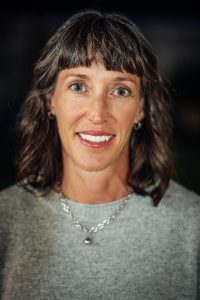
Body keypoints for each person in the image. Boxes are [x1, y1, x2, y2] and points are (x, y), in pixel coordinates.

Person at [0, 9, 199, 300]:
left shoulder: (193, 223)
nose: (97, 113)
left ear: (141, 108)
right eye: (78, 86)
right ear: (50, 101)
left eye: (120, 91)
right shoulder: (5, 218)